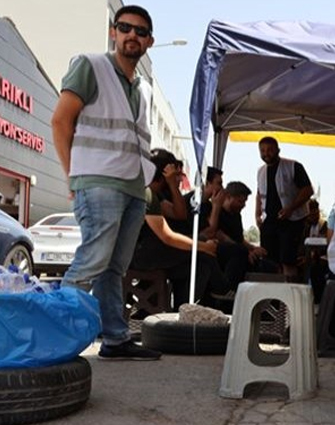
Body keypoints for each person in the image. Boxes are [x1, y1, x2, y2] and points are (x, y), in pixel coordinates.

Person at [52, 5, 160, 360]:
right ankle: (56, 337)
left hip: (132, 188)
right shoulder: (91, 65)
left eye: (140, 31)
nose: (132, 35)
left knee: (114, 268)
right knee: (92, 262)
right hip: (98, 182)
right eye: (125, 27)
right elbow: (60, 121)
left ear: (149, 42)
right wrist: (72, 176)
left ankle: (115, 338)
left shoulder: (143, 89)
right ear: (113, 32)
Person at [130, 150, 227, 309]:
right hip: (140, 255)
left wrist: (173, 185)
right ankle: (222, 289)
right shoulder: (146, 194)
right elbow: (168, 237)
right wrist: (204, 247)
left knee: (200, 266)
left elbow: (180, 214)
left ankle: (181, 310)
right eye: (177, 174)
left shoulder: (156, 195)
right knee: (203, 249)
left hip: (149, 252)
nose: (180, 178)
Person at [255, 137, 314, 281]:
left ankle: (289, 291)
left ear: (278, 150)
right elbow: (259, 193)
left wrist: (290, 208)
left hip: (292, 221)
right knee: (268, 260)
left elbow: (308, 190)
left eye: (270, 150)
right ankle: (271, 292)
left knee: (288, 260)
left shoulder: (293, 166)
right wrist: (257, 214)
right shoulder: (260, 171)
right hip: (269, 221)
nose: (266, 154)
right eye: (262, 151)